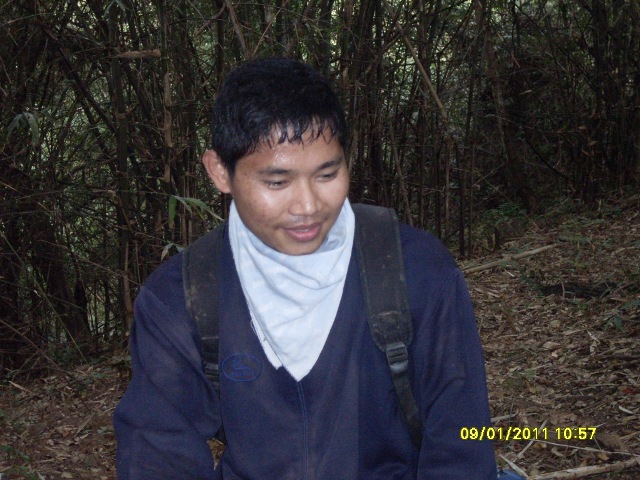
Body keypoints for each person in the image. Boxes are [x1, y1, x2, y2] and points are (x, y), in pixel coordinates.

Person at [114, 57, 498, 479]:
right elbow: (157, 450)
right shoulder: (180, 298)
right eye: (277, 182)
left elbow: (462, 439)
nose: (308, 206)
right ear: (220, 171)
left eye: (327, 174)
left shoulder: (415, 269)